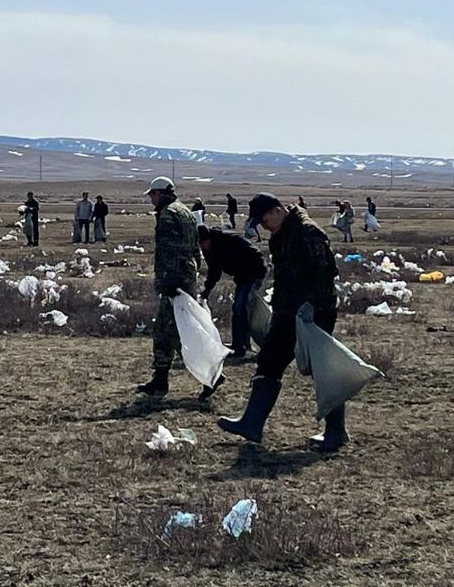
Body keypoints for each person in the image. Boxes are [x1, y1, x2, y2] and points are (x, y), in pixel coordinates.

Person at [220, 193, 343, 451]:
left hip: (313, 313)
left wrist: (311, 309)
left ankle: (335, 432)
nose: (263, 226)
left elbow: (325, 273)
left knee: (323, 370)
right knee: (269, 362)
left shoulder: (307, 232)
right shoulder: (282, 235)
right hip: (287, 312)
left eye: (264, 220)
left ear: (277, 211)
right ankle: (251, 423)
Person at [136, 177, 214, 399]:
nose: (151, 199)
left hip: (175, 281)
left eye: (152, 195)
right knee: (175, 330)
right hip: (185, 277)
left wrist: (168, 282)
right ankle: (161, 381)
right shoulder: (185, 212)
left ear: (160, 194)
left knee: (170, 330)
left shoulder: (168, 215)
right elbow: (194, 249)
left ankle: (211, 376)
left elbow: (168, 251)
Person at [199, 225, 267, 357]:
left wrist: (258, 278)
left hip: (254, 272)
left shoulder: (228, 240)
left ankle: (240, 346)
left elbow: (255, 255)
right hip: (242, 277)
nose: (203, 246)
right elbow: (214, 271)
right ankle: (241, 343)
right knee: (241, 308)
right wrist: (206, 290)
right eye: (200, 244)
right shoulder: (208, 249)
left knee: (240, 307)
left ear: (209, 238)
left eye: (204, 242)